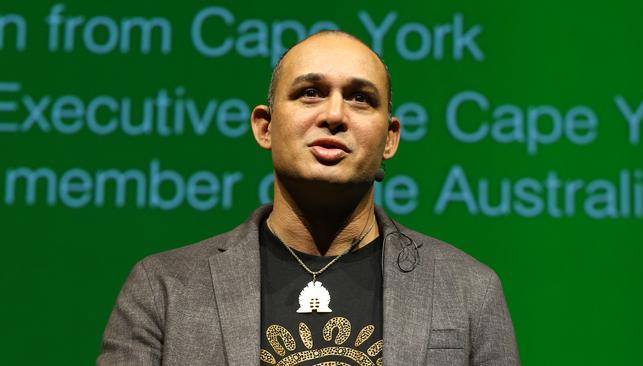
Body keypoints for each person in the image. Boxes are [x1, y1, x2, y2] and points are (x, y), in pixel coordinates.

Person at [97, 30, 520, 366]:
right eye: (310, 93)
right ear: (265, 127)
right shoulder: (164, 289)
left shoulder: (468, 291)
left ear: (390, 138)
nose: (334, 115)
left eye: (360, 98)